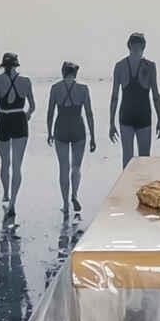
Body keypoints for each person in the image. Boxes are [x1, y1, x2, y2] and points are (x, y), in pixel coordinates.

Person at [46, 60, 96, 226]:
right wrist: (93, 136)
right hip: (78, 128)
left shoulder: (55, 88)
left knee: (63, 167)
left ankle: (65, 204)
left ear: (63, 72)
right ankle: (74, 194)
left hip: (61, 127)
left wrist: (49, 132)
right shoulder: (83, 89)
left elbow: (50, 112)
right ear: (75, 73)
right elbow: (89, 113)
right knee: (76, 167)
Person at [0, 50, 36, 213]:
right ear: (16, 64)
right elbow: (33, 106)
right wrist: (27, 115)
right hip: (19, 120)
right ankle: (13, 202)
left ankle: (5, 194)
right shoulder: (26, 81)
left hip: (3, 119)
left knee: (5, 163)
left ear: (3, 65)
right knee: (17, 165)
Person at [110, 32, 160, 167]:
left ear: (129, 46)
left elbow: (115, 97)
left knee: (129, 160)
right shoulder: (149, 66)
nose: (136, 49)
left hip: (128, 115)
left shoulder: (120, 66)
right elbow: (155, 95)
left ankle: (130, 182)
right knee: (143, 161)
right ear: (143, 46)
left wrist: (111, 123)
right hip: (141, 116)